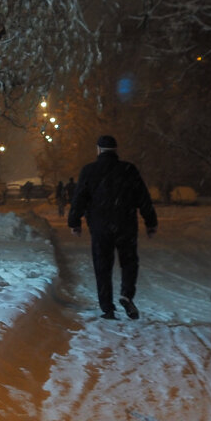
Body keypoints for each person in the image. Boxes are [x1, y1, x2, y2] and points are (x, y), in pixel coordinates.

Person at [68, 135, 157, 320]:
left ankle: (107, 307)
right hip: (126, 225)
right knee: (129, 262)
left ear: (98, 150)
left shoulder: (89, 171)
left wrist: (74, 222)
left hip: (100, 227)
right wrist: (150, 222)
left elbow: (79, 198)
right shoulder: (128, 169)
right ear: (116, 150)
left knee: (102, 266)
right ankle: (126, 294)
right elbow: (143, 197)